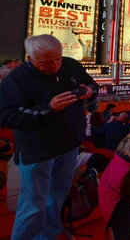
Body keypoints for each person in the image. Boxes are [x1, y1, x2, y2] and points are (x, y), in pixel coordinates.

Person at [0, 34, 98, 240]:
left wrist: (90, 91)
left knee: (57, 198)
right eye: (46, 62)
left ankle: (49, 236)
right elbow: (5, 116)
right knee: (33, 206)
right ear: (30, 58)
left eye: (58, 59)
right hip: (38, 151)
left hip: (69, 146)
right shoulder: (16, 80)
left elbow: (92, 84)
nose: (55, 65)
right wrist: (48, 109)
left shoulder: (70, 65)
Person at [98, 135, 130, 221]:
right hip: (114, 213)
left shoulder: (118, 159)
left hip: (106, 202)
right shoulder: (126, 172)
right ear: (125, 152)